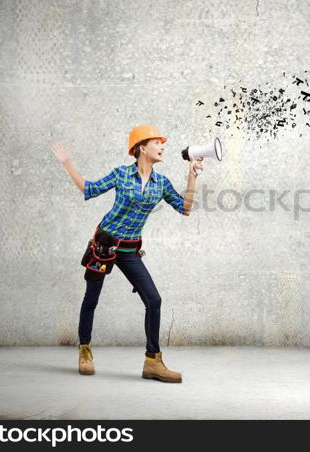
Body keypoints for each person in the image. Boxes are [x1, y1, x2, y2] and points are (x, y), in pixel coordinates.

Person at [51, 125, 204, 383]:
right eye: (157, 142)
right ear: (142, 148)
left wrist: (192, 177)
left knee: (153, 301)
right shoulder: (121, 175)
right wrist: (67, 163)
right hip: (104, 247)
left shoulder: (161, 183)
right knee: (91, 299)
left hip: (130, 250)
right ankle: (85, 349)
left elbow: (185, 208)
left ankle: (153, 362)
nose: (162, 146)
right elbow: (88, 189)